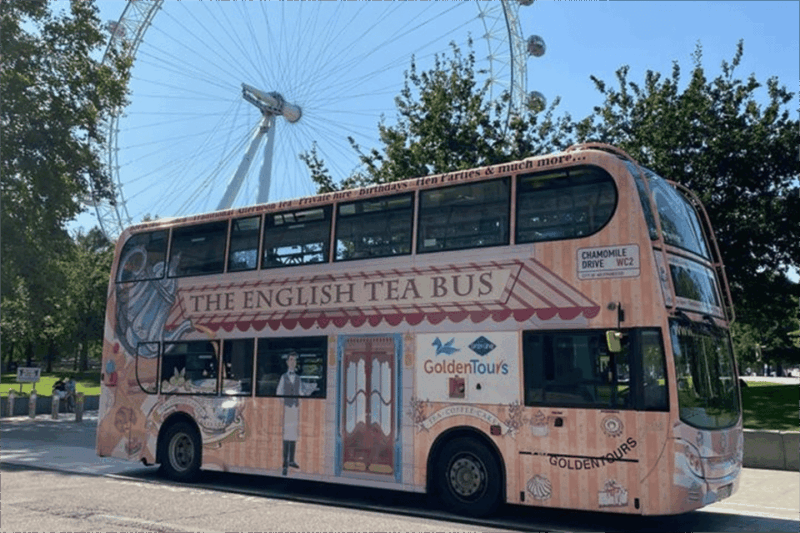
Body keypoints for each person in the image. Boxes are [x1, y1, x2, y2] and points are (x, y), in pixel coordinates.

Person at [276, 352, 318, 476]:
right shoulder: (283, 377)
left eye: (294, 360)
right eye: (291, 360)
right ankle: (285, 462)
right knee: (286, 435)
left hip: (295, 409)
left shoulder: (298, 378)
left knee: (293, 434)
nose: (293, 362)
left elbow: (301, 392)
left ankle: (292, 460)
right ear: (287, 362)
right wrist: (285, 402)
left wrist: (309, 391)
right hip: (288, 408)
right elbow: (279, 392)